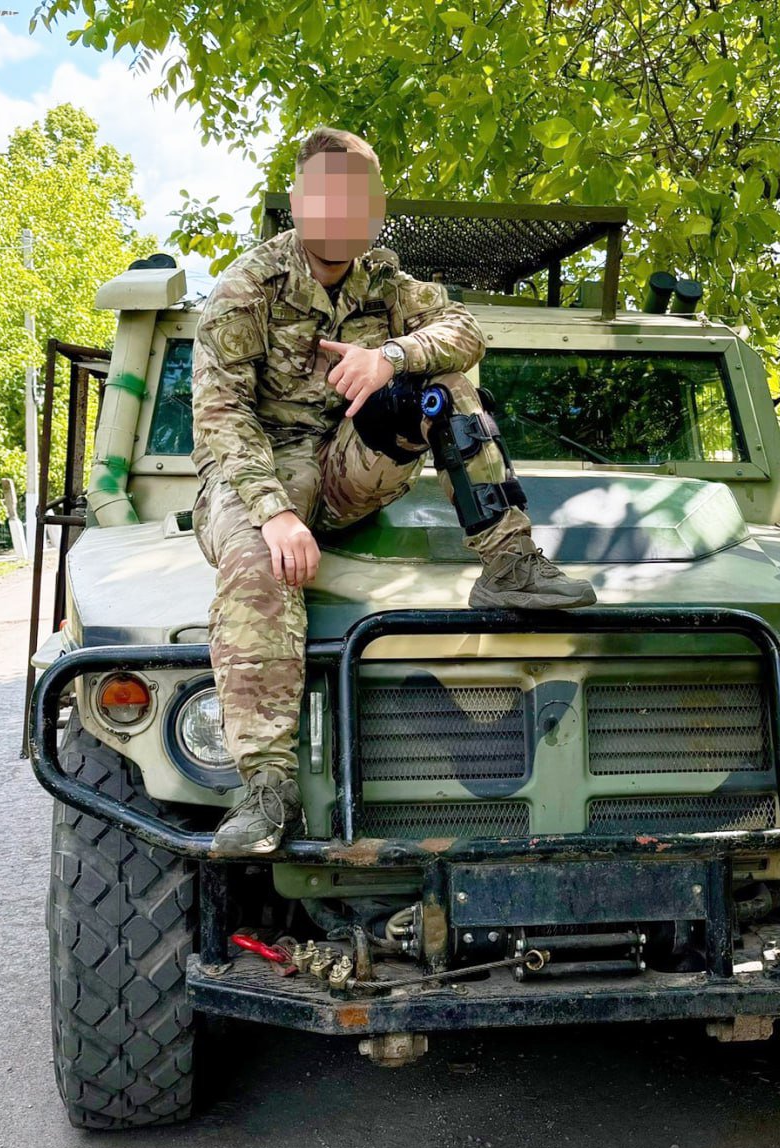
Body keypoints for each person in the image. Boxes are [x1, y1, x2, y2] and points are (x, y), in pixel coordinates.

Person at [190, 126, 596, 856]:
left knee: (443, 383)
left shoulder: (389, 283)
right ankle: (266, 786)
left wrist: (390, 357)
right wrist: (276, 515)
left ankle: (509, 561)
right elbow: (221, 417)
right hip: (260, 470)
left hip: (348, 464)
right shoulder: (246, 287)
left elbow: (465, 331)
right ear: (299, 202)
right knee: (257, 565)